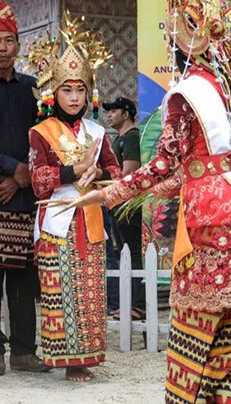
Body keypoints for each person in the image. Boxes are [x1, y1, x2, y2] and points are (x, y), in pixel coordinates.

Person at [49, 0, 231, 401]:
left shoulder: (184, 93)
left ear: (187, 33)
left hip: (208, 214)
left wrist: (106, 194)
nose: (171, 34)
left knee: (194, 328)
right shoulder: (229, 86)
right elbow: (206, 164)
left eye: (175, 25)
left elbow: (163, 165)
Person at [27, 18, 121, 382]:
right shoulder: (41, 133)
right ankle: (66, 360)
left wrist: (96, 172)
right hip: (56, 223)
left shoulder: (98, 132)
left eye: (81, 90)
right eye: (67, 90)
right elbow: (37, 182)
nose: (75, 97)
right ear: (54, 93)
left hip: (90, 221)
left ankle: (86, 358)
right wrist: (72, 170)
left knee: (89, 293)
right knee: (60, 291)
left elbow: (115, 172)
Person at [0, 1, 47, 376]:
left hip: (26, 192)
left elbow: (48, 138)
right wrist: (8, 169)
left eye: (9, 41)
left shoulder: (35, 89)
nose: (2, 48)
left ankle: (23, 350)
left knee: (23, 275)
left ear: (20, 46)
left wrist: (24, 174)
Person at [103, 96, 145, 320]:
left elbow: (129, 171)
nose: (110, 115)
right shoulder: (118, 139)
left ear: (126, 114)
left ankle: (138, 305)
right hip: (117, 203)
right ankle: (129, 303)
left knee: (133, 252)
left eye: (114, 111)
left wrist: (106, 184)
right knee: (124, 253)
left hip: (129, 204)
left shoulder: (132, 137)